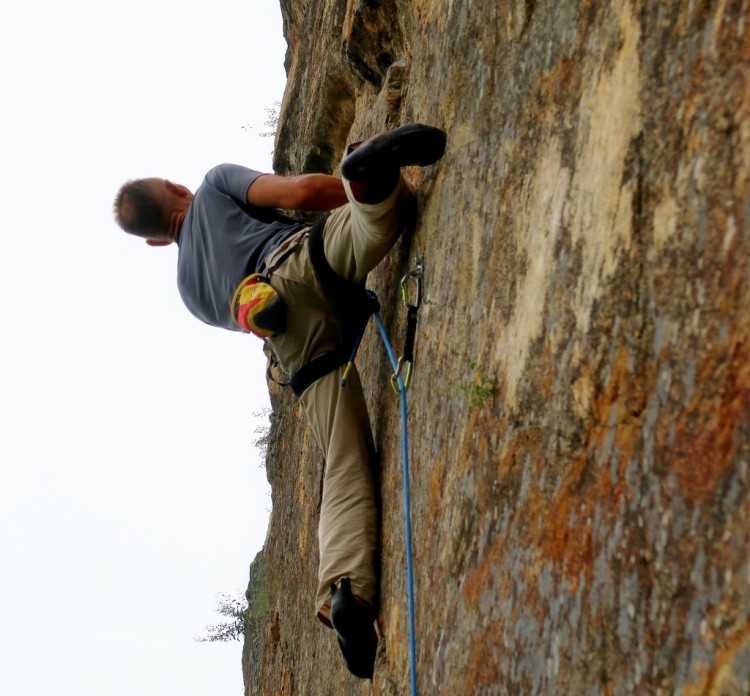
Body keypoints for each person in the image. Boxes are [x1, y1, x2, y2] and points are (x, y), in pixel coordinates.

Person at [113, 123, 447, 678]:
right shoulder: (214, 184)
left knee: (343, 462)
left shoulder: (189, 295)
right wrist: (348, 193)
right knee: (378, 218)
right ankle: (370, 176)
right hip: (299, 261)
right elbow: (297, 196)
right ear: (175, 188)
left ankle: (347, 591)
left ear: (154, 241)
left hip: (290, 340)